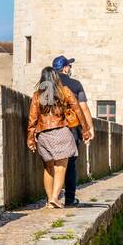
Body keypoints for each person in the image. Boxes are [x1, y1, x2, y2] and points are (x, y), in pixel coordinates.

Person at [27, 67, 81, 209]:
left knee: (48, 167)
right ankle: (55, 198)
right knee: (60, 168)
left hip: (43, 135)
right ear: (56, 77)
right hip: (61, 132)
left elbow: (32, 119)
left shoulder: (37, 96)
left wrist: (31, 139)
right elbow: (78, 110)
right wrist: (86, 129)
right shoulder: (64, 91)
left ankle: (49, 199)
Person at [52, 56, 94, 207]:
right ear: (64, 68)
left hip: (50, 127)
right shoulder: (75, 84)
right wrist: (89, 128)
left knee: (51, 163)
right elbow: (82, 107)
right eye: (69, 66)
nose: (70, 68)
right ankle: (69, 198)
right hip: (71, 128)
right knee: (70, 163)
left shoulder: (47, 84)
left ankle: (51, 198)